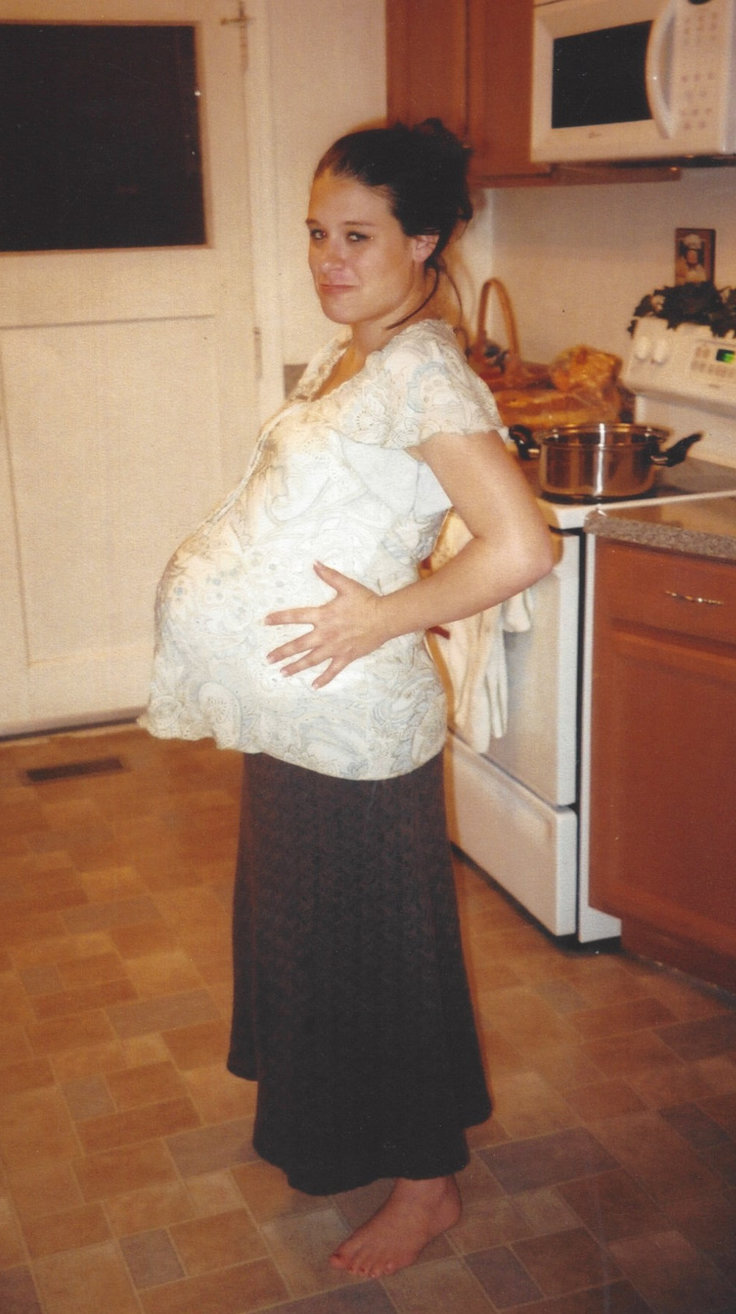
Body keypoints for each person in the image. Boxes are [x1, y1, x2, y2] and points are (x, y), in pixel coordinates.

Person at [141, 119, 553, 1279]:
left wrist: (382, 615)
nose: (327, 257)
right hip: (300, 718)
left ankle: (426, 1189)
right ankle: (333, 1123)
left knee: (381, 956)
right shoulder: (364, 349)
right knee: (310, 941)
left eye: (357, 235)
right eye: (317, 233)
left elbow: (519, 545)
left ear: (421, 237)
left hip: (355, 726)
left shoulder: (422, 367)